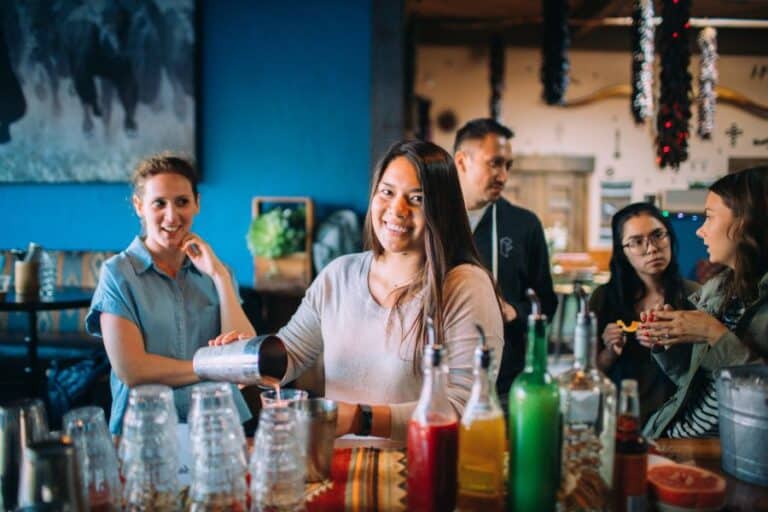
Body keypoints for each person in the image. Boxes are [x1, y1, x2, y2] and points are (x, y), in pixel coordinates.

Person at [212, 140, 504, 447]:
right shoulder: (338, 275)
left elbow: (463, 407)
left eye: (417, 199)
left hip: (422, 473)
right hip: (339, 467)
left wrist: (360, 418)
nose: (397, 209)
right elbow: (291, 354)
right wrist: (245, 357)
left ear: (441, 209)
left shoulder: (465, 287)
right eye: (387, 192)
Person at [85, 154, 255, 434]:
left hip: (216, 427)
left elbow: (241, 358)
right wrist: (210, 367)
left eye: (182, 202)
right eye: (159, 203)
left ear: (197, 203)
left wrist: (220, 277)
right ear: (139, 206)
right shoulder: (117, 275)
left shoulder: (218, 271)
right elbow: (133, 370)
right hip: (145, 429)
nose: (172, 215)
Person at [640, 166, 768, 439]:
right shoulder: (722, 292)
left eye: (709, 218)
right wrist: (666, 345)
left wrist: (714, 333)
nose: (700, 231)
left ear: (745, 222)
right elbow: (698, 383)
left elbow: (760, 398)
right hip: (670, 433)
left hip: (723, 454)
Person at [453, 118, 557, 400]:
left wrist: (514, 312)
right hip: (438, 376)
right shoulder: (431, 220)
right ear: (462, 161)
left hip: (503, 382)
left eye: (508, 165)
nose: (503, 175)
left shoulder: (524, 225)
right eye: (495, 163)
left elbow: (547, 303)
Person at [589, 202, 699, 423]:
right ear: (623, 252)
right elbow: (589, 375)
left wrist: (672, 345)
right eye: (637, 242)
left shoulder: (695, 296)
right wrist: (610, 352)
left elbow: (705, 374)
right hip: (619, 416)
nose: (652, 248)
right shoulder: (603, 299)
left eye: (658, 235)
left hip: (678, 419)